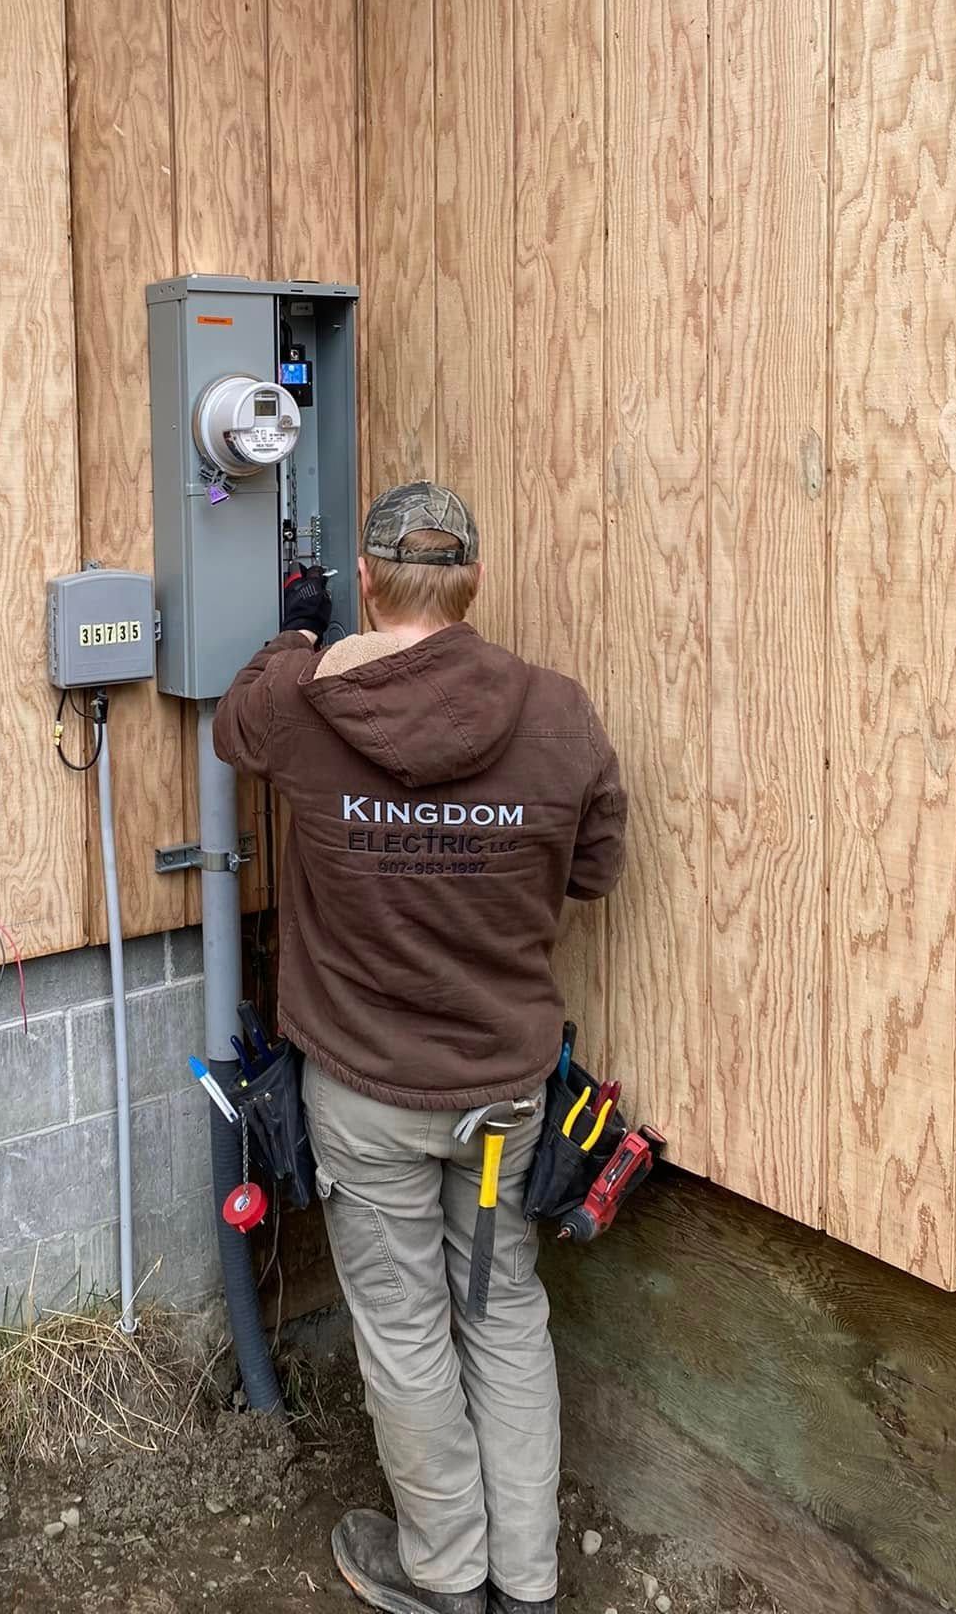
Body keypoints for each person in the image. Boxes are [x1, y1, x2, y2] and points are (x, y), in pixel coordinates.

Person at [213, 482, 627, 1614]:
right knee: (500, 1312)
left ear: (368, 580)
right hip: (502, 1100)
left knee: (403, 1331)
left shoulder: (303, 705)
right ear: (475, 583)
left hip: (368, 1098)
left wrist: (301, 631)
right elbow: (591, 869)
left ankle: (446, 1571)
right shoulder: (558, 712)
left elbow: (233, 721)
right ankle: (527, 1578)